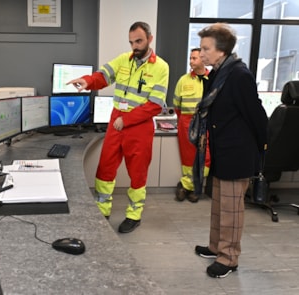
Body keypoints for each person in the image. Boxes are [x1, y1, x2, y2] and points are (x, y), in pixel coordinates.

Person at [67, 21, 169, 233]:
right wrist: (87, 81)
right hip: (117, 122)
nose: (134, 46)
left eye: (139, 41)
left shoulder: (161, 67)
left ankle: (134, 215)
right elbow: (103, 76)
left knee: (137, 173)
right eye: (131, 42)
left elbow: (155, 105)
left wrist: (128, 120)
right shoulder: (124, 59)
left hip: (139, 126)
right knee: (105, 167)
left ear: (150, 39)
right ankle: (102, 209)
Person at [192, 23, 268, 278]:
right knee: (219, 205)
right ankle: (216, 247)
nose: (201, 53)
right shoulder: (219, 72)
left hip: (238, 153)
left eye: (205, 48)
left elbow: (257, 116)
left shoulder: (238, 75)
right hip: (223, 150)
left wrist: (260, 150)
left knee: (232, 210)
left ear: (221, 50)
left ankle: (229, 258)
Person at [173, 48, 210, 203]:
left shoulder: (213, 79)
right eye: (190, 58)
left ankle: (190, 186)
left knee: (206, 157)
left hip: (207, 122)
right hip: (186, 121)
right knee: (188, 157)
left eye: (194, 58)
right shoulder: (184, 80)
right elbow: (176, 105)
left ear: (203, 59)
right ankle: (190, 188)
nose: (191, 61)